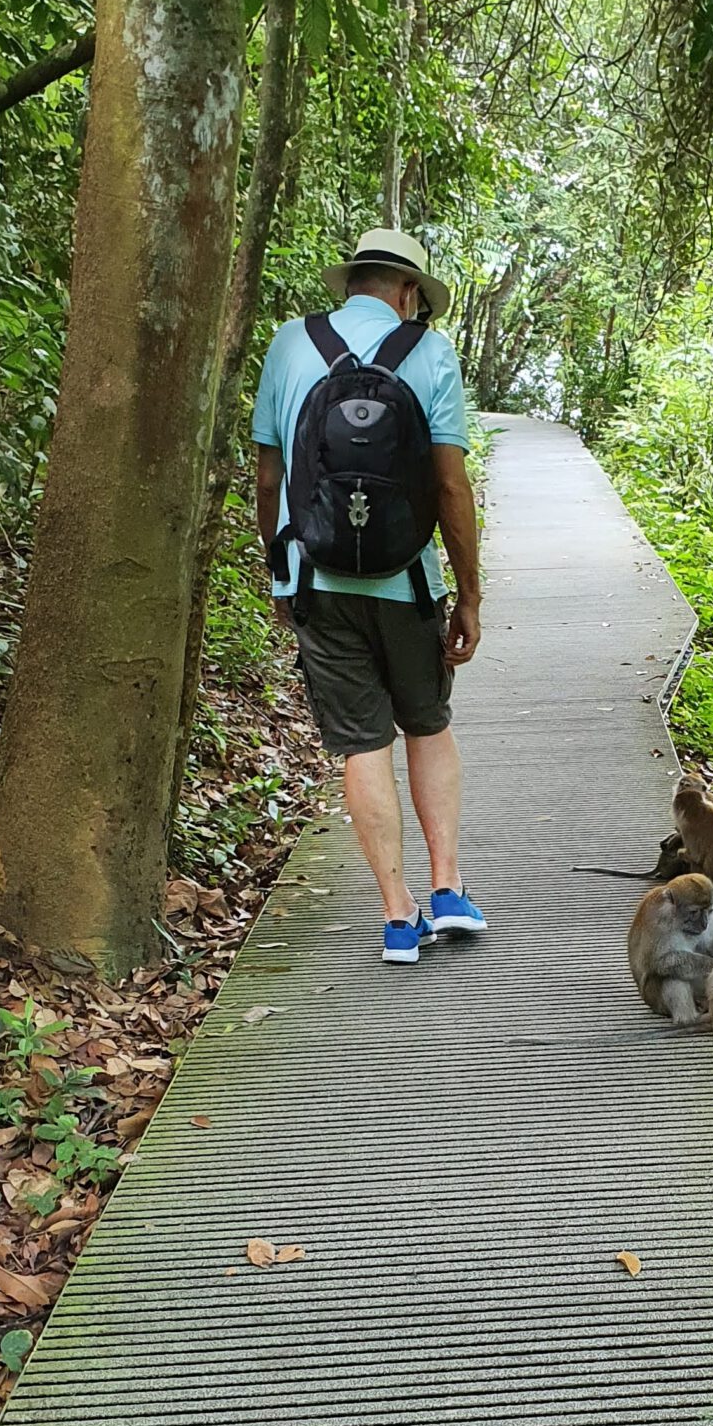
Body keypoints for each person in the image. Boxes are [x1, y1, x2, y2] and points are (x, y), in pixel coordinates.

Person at [252, 229, 486, 964]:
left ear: (350, 282)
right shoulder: (429, 352)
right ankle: (447, 889)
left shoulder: (291, 344)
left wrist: (279, 570)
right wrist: (469, 595)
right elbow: (449, 485)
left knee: (361, 745)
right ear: (410, 292)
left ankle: (397, 917)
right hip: (407, 580)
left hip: (317, 579)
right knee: (427, 724)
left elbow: (267, 480)